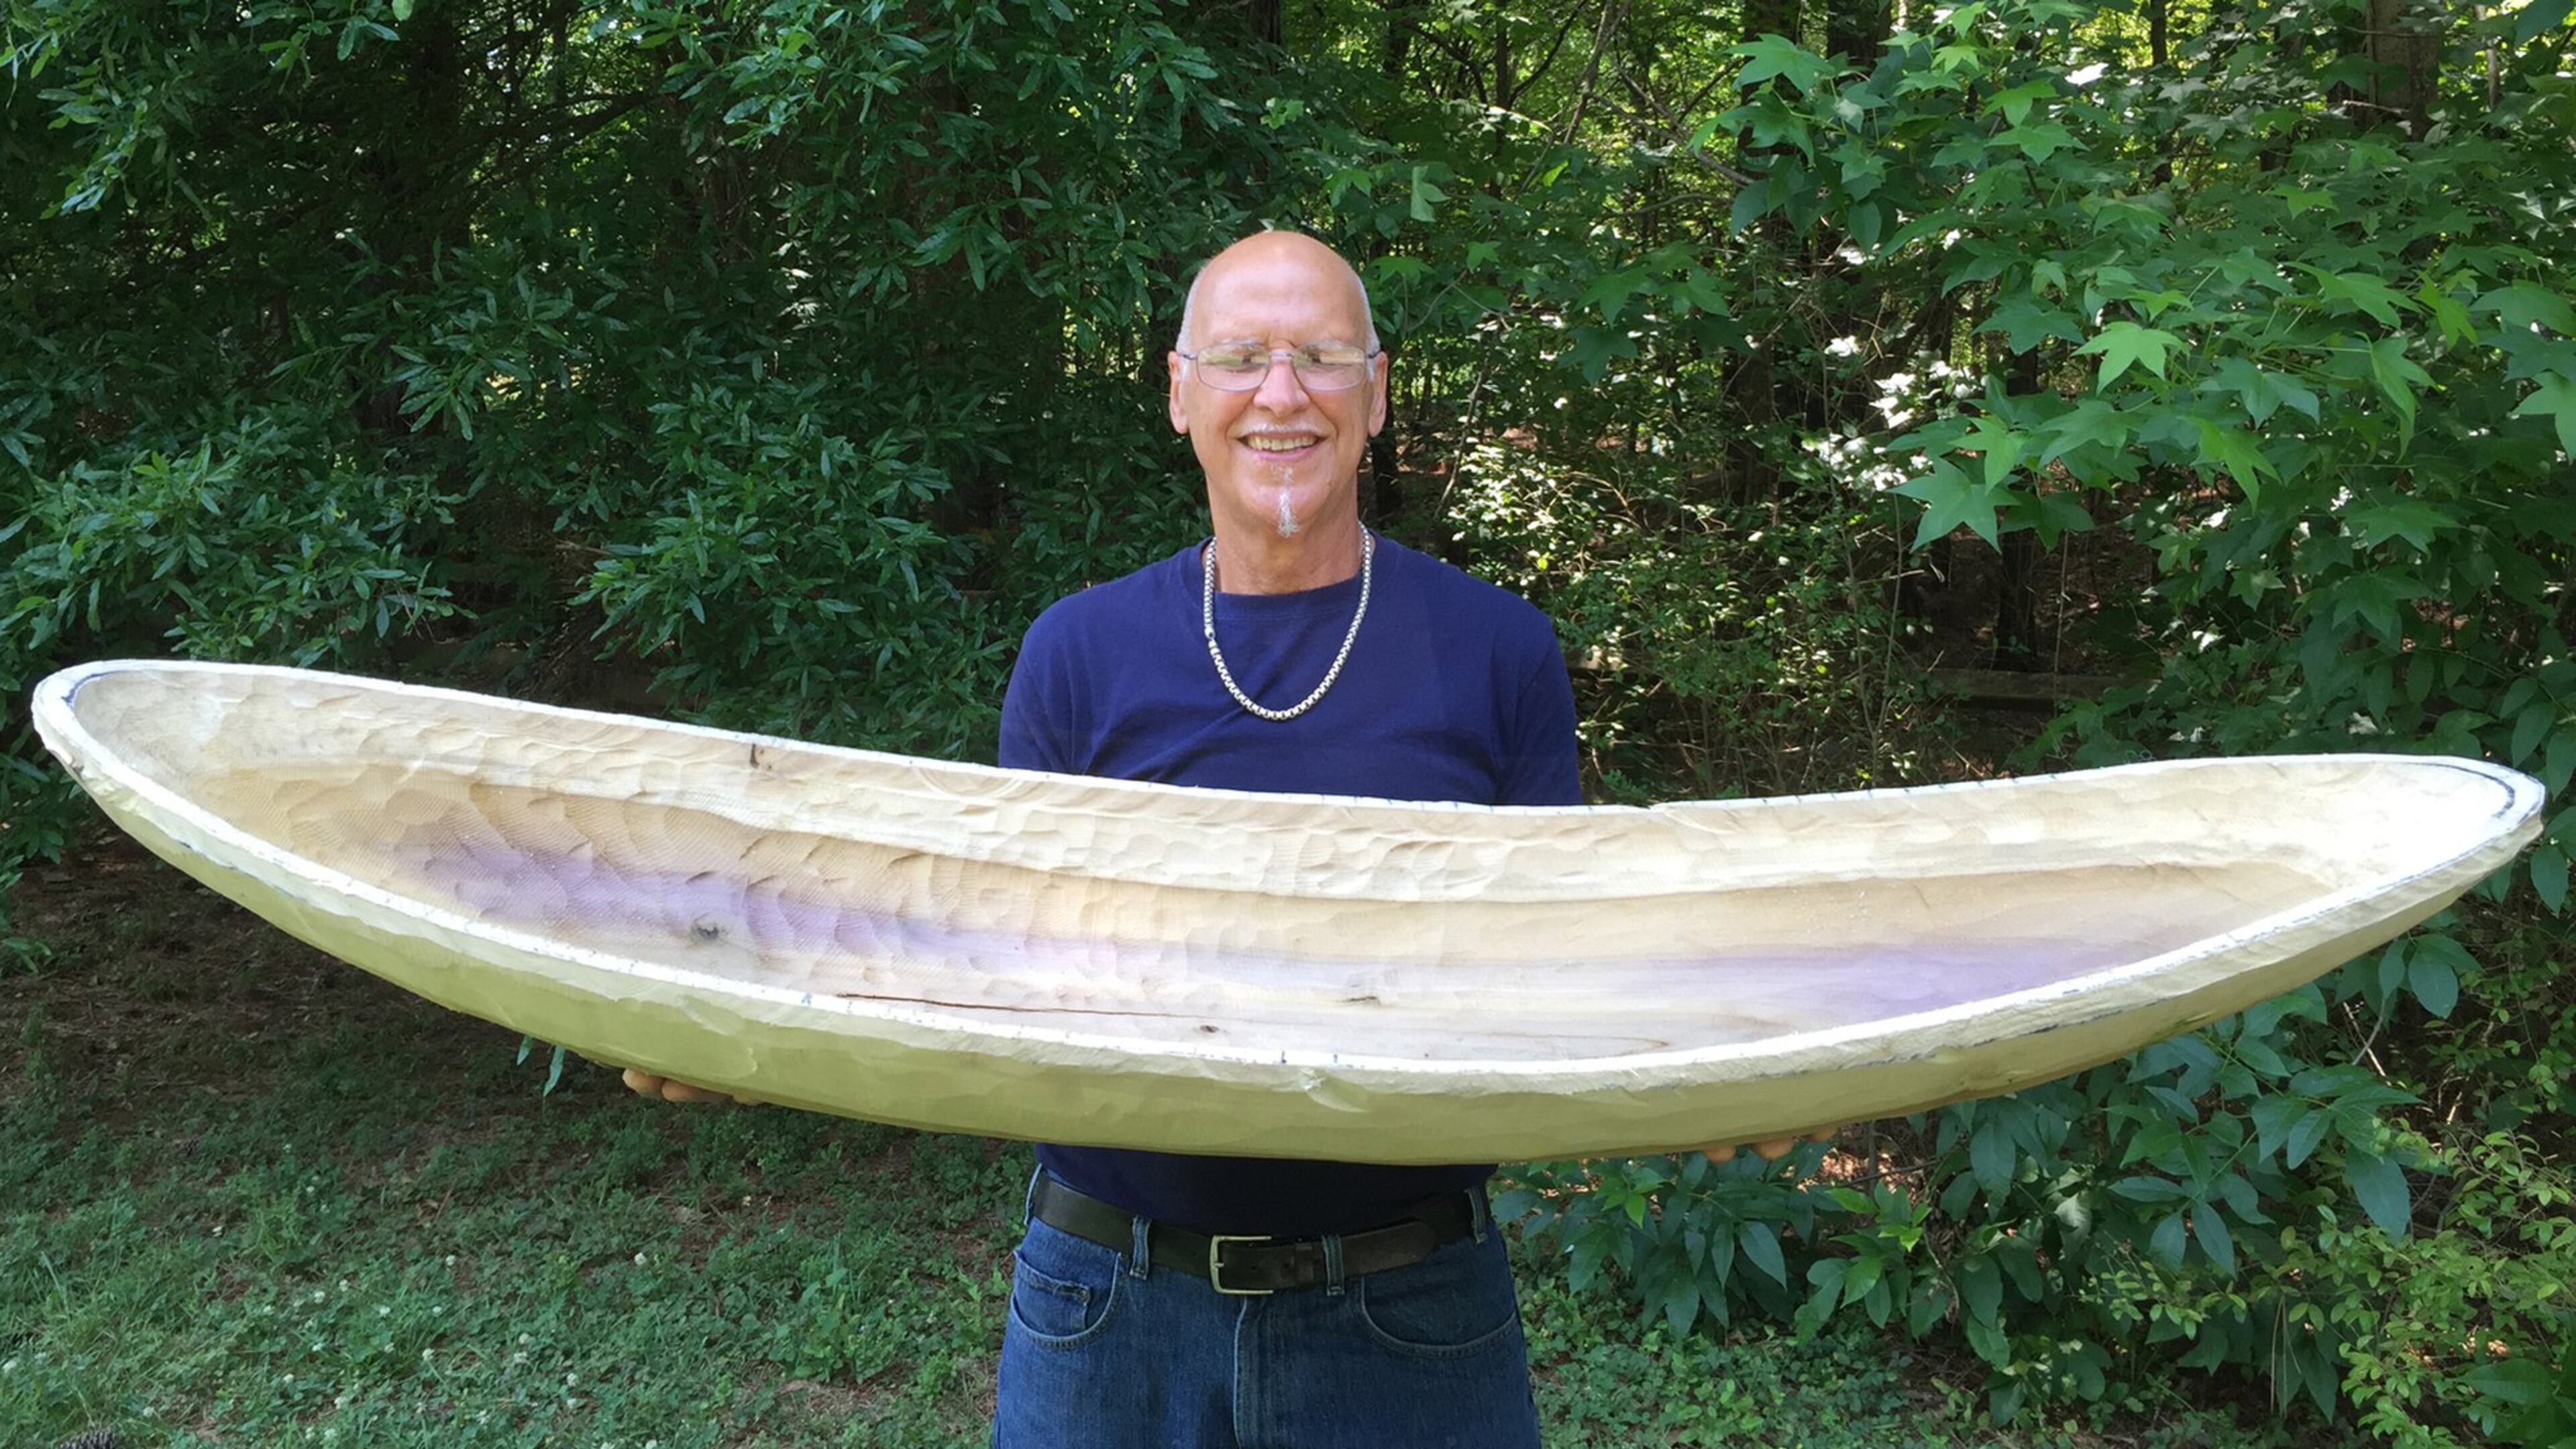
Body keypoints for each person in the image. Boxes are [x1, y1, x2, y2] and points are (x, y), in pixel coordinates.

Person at [626, 230, 1818, 1445]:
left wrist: (1720, 1065)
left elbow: (1558, 973)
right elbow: (988, 967)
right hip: (1107, 1313)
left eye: (1321, 356)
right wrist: (745, 1024)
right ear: (1181, 392)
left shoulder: (1498, 651)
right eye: (1242, 356)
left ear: (1379, 394)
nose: (1282, 392)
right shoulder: (1077, 655)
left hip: (1412, 1312)